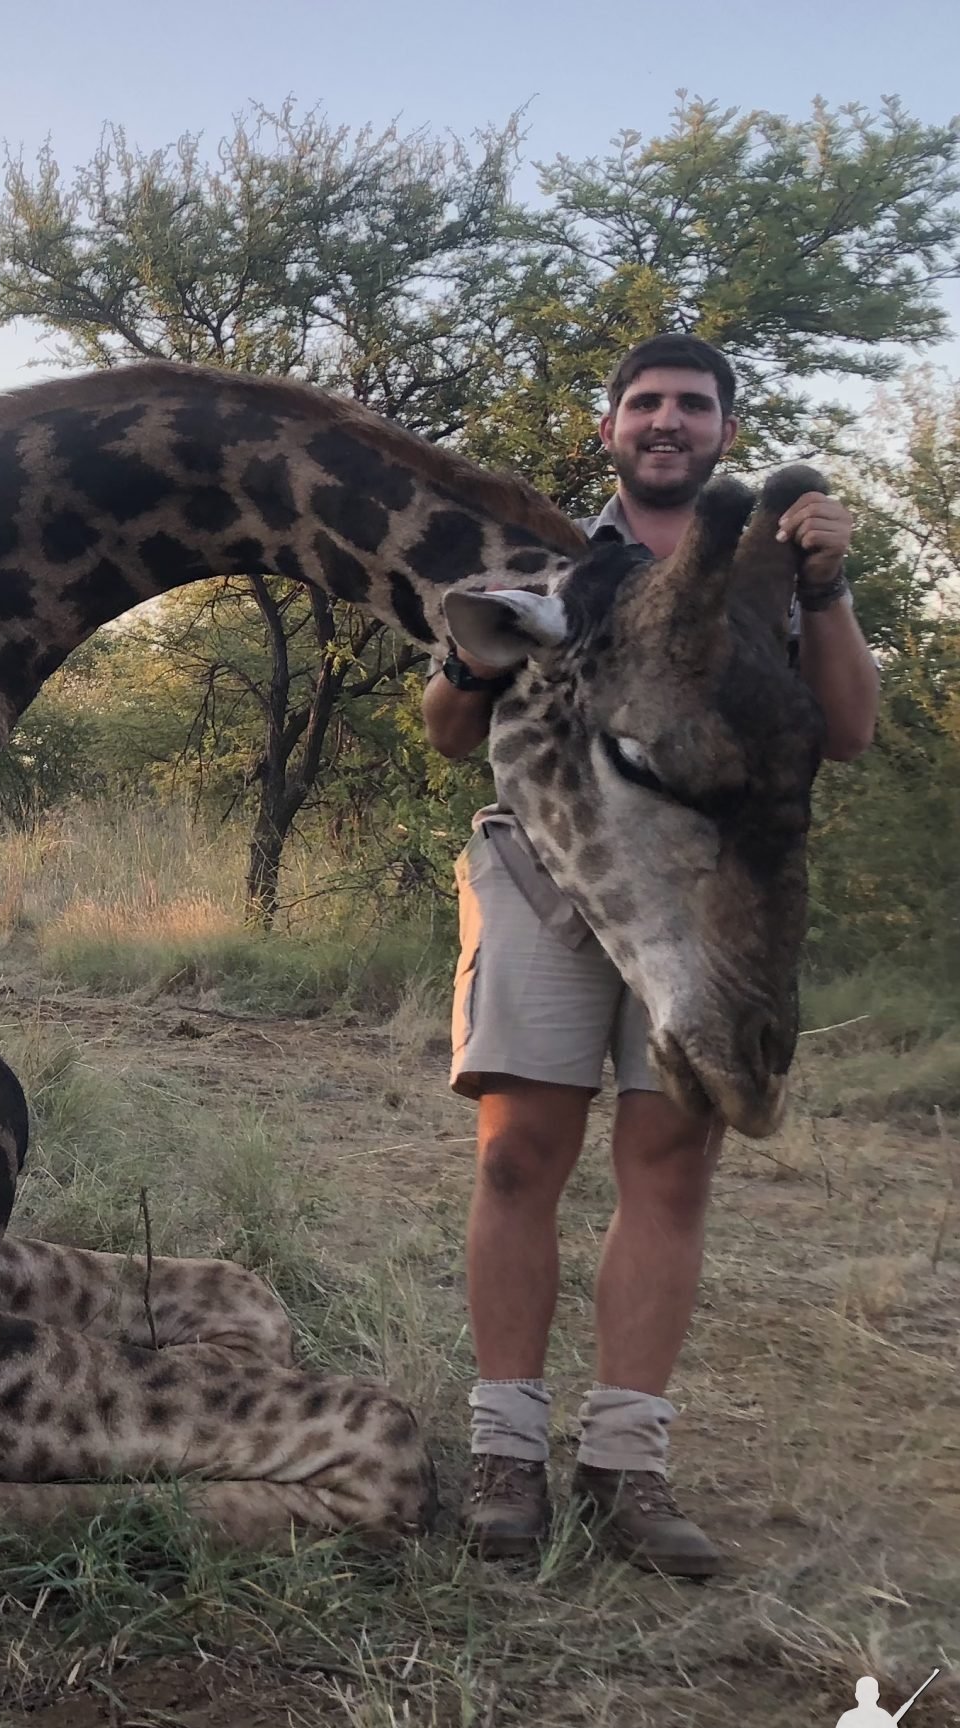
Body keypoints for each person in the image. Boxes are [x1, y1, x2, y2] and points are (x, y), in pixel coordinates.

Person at [423, 333, 879, 1576]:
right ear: (610, 427)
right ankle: (505, 1452)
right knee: (518, 1157)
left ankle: (627, 1464)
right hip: (543, 870)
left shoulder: (774, 577)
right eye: (646, 403)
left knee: (671, 1161)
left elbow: (848, 729)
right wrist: (468, 657)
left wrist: (829, 590)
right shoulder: (548, 562)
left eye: (693, 404)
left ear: (726, 429)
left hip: (709, 890)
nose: (667, 420)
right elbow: (449, 732)